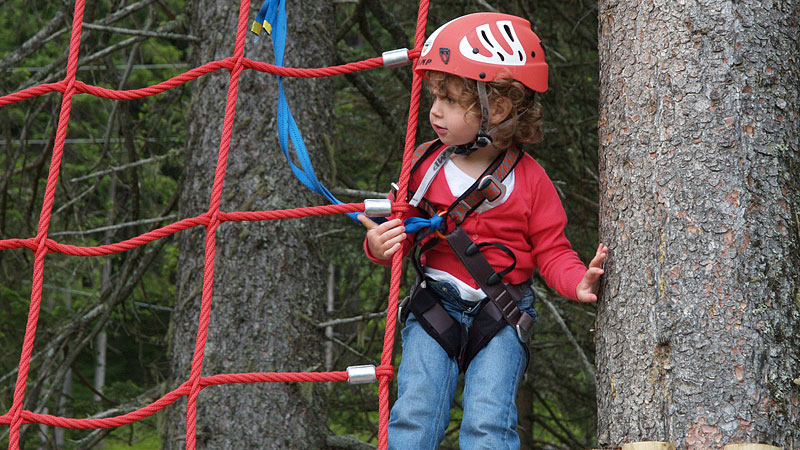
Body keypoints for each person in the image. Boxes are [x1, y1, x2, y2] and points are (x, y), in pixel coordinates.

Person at [358, 12, 608, 450]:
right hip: (436, 305)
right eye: (436, 97)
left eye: (452, 101)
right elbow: (398, 230)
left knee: (488, 425)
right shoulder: (422, 166)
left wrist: (576, 282)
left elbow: (551, 250)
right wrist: (378, 244)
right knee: (414, 417)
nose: (435, 111)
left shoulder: (531, 181)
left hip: (502, 314)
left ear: (501, 106)